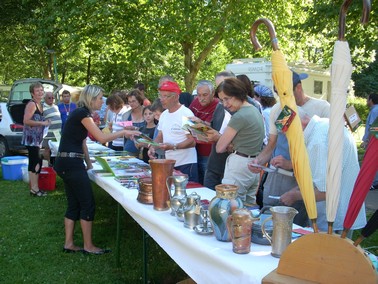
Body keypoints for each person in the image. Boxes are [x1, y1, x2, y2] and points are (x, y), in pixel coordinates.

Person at [54, 85, 140, 254]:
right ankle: (88, 246)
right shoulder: (83, 114)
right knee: (87, 203)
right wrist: (123, 132)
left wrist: (89, 163)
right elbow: (101, 138)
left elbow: (83, 141)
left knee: (74, 204)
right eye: (100, 98)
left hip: (66, 162)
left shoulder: (79, 113)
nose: (103, 101)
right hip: (71, 163)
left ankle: (69, 244)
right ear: (91, 99)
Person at [248, 71, 330, 226]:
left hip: (307, 182)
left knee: (295, 226)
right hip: (278, 179)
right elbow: (273, 143)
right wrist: (258, 161)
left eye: (285, 94)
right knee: (269, 221)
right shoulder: (280, 109)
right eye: (279, 95)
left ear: (298, 87)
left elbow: (326, 154)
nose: (282, 99)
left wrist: (291, 164)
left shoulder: (322, 108)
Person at [279, 111, 366, 234]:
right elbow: (316, 177)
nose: (291, 140)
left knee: (329, 252)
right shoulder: (324, 124)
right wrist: (297, 189)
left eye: (290, 134)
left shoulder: (318, 142)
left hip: (333, 218)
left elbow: (325, 192)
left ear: (301, 124)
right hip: (339, 210)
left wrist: (294, 196)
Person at [207, 78, 265, 205]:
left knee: (230, 206)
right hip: (252, 165)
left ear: (238, 94)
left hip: (239, 166)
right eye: (222, 100)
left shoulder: (239, 116)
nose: (225, 104)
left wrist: (218, 136)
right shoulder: (254, 110)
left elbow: (220, 148)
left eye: (227, 98)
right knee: (248, 209)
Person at [148, 80, 199, 182]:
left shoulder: (186, 113)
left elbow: (192, 141)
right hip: (169, 163)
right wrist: (153, 146)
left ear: (176, 97)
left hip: (186, 163)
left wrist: (173, 146)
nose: (161, 99)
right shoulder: (164, 114)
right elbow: (160, 136)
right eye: (160, 96)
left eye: (165, 96)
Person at [203, 71, 234, 190]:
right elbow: (213, 129)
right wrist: (199, 126)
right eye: (218, 86)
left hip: (231, 168)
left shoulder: (249, 107)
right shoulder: (219, 105)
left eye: (224, 85)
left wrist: (219, 137)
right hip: (214, 164)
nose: (220, 90)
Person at [22, 82, 51, 197]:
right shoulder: (32, 104)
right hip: (31, 139)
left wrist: (46, 124)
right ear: (32, 93)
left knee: (36, 161)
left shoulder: (41, 104)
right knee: (35, 162)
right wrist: (42, 122)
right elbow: (26, 121)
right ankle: (34, 189)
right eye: (37, 90)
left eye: (41, 90)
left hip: (37, 139)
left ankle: (34, 188)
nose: (40, 92)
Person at [189, 80, 218, 184]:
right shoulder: (195, 101)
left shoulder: (218, 106)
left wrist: (200, 122)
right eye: (199, 95)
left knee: (207, 183)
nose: (201, 98)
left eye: (205, 95)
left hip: (208, 153)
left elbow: (213, 131)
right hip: (193, 150)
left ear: (213, 93)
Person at [361, 93, 378, 190]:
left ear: (371, 100)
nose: (366, 101)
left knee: (371, 162)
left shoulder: (375, 111)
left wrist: (366, 141)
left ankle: (373, 183)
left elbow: (373, 128)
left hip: (373, 142)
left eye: (367, 99)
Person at [123, 89, 146, 155]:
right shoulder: (126, 115)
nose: (131, 104)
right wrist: (128, 132)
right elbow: (126, 135)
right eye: (129, 102)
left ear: (139, 100)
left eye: (133, 101)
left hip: (145, 148)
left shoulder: (148, 112)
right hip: (130, 149)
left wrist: (135, 129)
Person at [42, 91, 62, 165]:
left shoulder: (56, 106)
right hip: (49, 132)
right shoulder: (42, 107)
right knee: (47, 148)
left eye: (53, 98)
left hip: (57, 131)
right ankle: (48, 164)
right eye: (49, 98)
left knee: (57, 148)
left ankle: (57, 164)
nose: (51, 99)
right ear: (45, 99)